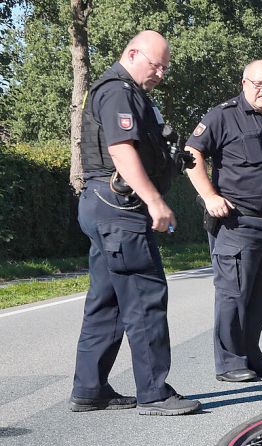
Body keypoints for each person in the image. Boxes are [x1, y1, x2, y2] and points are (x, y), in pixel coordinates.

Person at [71, 30, 200, 415]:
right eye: (155, 64)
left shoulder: (131, 94)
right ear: (132, 53)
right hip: (119, 210)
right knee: (144, 298)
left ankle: (90, 388)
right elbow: (121, 150)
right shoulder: (118, 91)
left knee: (107, 301)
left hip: (104, 207)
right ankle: (154, 392)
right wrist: (156, 200)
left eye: (165, 67)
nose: (160, 73)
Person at [185, 60, 262, 383]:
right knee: (233, 294)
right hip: (237, 223)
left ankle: (252, 355)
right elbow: (192, 154)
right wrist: (209, 195)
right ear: (244, 83)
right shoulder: (223, 116)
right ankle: (230, 361)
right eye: (258, 83)